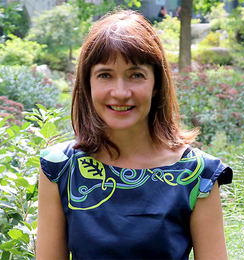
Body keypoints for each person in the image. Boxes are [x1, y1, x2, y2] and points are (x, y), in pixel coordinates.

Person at [36, 10, 233, 260]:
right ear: (87, 84)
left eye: (136, 75)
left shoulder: (198, 175)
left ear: (156, 84)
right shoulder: (60, 169)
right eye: (105, 75)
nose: (120, 92)